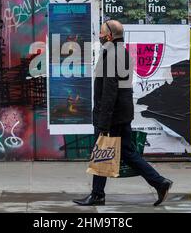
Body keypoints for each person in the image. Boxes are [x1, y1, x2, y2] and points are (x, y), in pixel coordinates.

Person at [72, 20, 173, 207]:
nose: (99, 36)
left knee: (103, 151)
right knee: (126, 153)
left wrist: (103, 122)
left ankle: (97, 195)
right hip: (122, 114)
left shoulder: (110, 55)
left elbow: (110, 91)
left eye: (102, 33)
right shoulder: (123, 53)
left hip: (112, 116)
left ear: (109, 36)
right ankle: (159, 183)